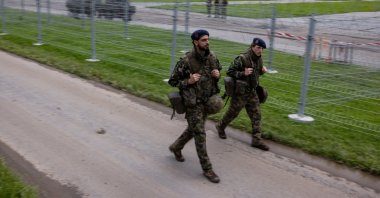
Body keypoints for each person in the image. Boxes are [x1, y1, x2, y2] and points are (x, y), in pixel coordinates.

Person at [168, 29, 222, 183]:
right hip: (193, 104)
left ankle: (176, 147)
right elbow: (173, 81)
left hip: (207, 101)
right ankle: (207, 169)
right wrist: (188, 82)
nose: (207, 42)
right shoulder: (186, 61)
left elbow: (218, 71)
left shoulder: (212, 57)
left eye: (208, 39)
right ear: (195, 41)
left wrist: (217, 75)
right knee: (200, 134)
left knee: (193, 129)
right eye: (204, 40)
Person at [216, 37, 270, 151]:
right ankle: (220, 126)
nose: (261, 50)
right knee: (232, 113)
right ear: (252, 47)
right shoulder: (242, 58)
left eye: (262, 48)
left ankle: (256, 140)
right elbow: (229, 71)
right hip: (240, 93)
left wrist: (262, 71)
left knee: (256, 115)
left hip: (252, 92)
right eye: (258, 48)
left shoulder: (259, 59)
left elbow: (256, 73)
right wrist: (243, 73)